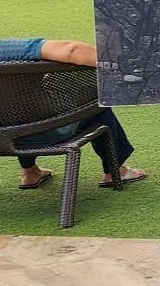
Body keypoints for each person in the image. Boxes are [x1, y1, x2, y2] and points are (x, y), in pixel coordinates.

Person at [0, 37, 147, 190]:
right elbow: (70, 50)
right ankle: (115, 171)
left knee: (17, 112)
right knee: (95, 101)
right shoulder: (6, 49)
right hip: (42, 131)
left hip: (9, 136)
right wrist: (120, 65)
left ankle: (30, 172)